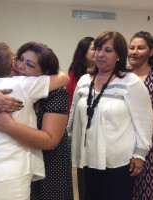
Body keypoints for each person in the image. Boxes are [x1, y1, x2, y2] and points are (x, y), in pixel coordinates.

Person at [0, 42, 74, 200]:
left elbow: (50, 140)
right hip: (15, 169)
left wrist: (10, 126)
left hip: (48, 163)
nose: (20, 66)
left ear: (46, 73)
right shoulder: (6, 88)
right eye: (20, 59)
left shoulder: (55, 94)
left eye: (29, 64)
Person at [67, 31, 153, 200]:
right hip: (86, 157)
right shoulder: (84, 80)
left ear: (119, 56)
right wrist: (70, 139)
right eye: (98, 48)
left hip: (118, 162)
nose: (100, 54)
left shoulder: (131, 82)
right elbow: (74, 114)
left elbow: (144, 121)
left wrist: (139, 154)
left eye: (108, 50)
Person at [128, 31, 153, 200]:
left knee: (147, 192)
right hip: (122, 143)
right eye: (131, 47)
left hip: (152, 145)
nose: (134, 51)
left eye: (140, 48)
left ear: (151, 51)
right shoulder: (121, 76)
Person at [66, 36, 95, 200]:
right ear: (83, 53)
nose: (97, 52)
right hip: (79, 128)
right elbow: (70, 103)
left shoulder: (106, 73)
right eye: (93, 48)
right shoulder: (76, 74)